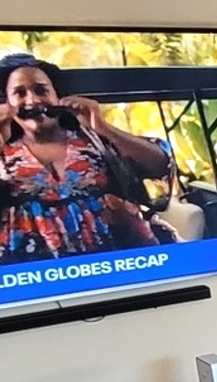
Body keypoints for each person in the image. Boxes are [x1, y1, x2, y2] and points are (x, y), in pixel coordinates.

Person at [0, 52, 174, 263]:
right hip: (32, 274)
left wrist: (103, 128)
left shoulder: (93, 139)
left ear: (57, 96)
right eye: (19, 93)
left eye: (41, 90)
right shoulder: (4, 149)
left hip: (119, 264)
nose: (33, 100)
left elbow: (160, 165)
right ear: (6, 103)